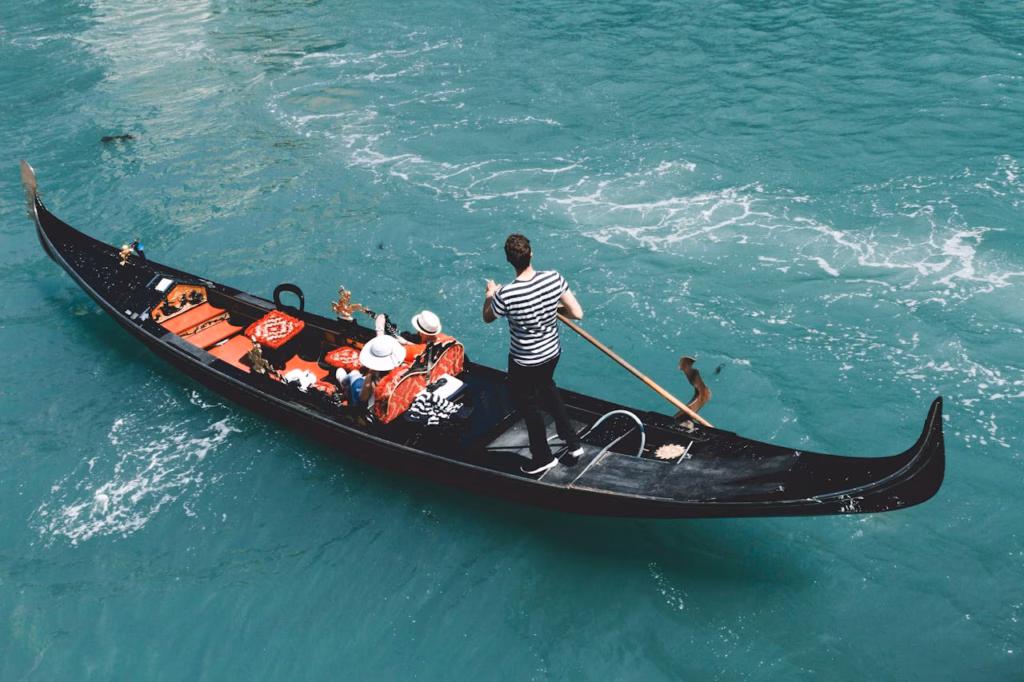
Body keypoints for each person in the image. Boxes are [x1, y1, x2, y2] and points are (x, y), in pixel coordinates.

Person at [482, 233, 585, 475]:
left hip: (524, 362)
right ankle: (573, 443)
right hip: (552, 353)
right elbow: (576, 313)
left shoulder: (505, 294)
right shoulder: (553, 279)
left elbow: (487, 317)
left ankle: (542, 457)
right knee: (548, 387)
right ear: (532, 254)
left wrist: (489, 295)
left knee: (529, 407)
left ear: (509, 261)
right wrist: (549, 307)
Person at [337, 334, 405, 407]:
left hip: (369, 409)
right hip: (389, 406)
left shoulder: (371, 378)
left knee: (353, 373)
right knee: (355, 377)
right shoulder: (400, 372)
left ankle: (344, 383)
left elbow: (362, 398)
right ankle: (346, 385)